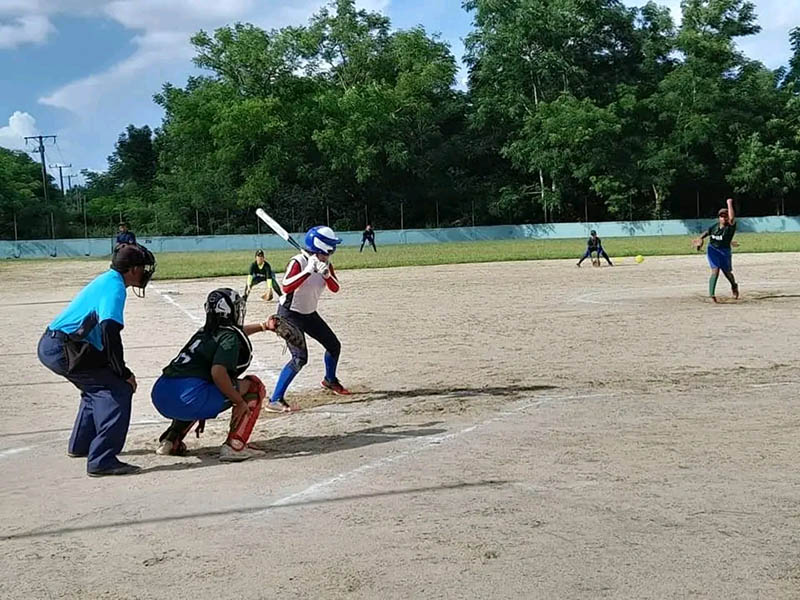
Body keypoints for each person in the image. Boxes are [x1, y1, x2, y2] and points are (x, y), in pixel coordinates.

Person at [37, 243, 156, 477]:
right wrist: (123, 373)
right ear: (133, 269)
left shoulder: (108, 279)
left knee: (95, 387)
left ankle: (81, 445)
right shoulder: (115, 288)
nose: (145, 273)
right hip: (64, 349)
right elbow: (110, 332)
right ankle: (102, 460)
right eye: (142, 268)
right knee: (118, 389)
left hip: (55, 344)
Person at [151, 288, 284, 462]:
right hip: (190, 399)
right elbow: (218, 372)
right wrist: (239, 401)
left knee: (197, 387)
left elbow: (235, 333)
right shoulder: (229, 337)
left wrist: (263, 326)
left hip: (162, 393)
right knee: (253, 386)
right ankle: (235, 446)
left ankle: (170, 440)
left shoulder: (203, 332)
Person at [269, 225, 349, 412]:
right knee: (300, 358)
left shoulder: (325, 264)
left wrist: (326, 274)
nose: (332, 251)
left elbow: (335, 288)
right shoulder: (298, 261)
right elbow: (286, 286)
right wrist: (307, 271)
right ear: (322, 247)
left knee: (333, 346)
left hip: (309, 314)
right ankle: (275, 399)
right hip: (289, 314)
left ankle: (330, 380)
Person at [693, 198, 739, 303]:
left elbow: (732, 218)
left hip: (725, 252)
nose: (724, 218)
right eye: (721, 216)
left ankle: (734, 285)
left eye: (725, 216)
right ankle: (712, 295)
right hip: (713, 250)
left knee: (727, 273)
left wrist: (729, 203)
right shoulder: (714, 227)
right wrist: (700, 239)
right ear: (719, 218)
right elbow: (707, 232)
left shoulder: (730, 227)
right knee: (715, 270)